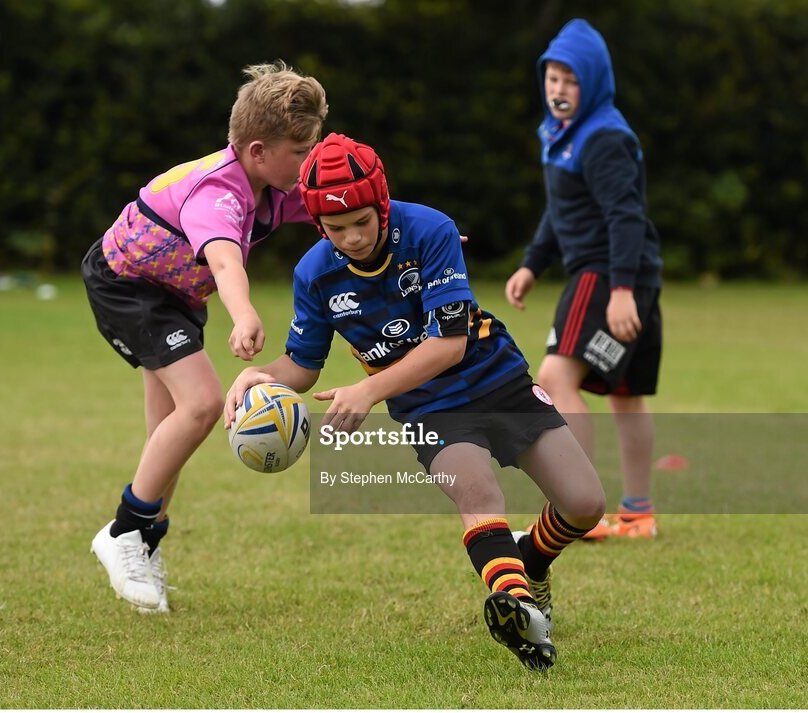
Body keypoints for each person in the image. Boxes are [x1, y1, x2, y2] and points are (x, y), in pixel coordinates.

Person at [225, 134, 605, 670]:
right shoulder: (313, 274)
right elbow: (303, 367)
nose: (352, 238)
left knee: (585, 504)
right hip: (429, 408)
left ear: (381, 204)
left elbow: (449, 345)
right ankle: (520, 612)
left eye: (362, 221)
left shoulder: (430, 230)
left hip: (496, 378)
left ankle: (531, 563)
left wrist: (369, 390)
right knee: (476, 493)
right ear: (317, 225)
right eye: (336, 229)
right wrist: (260, 376)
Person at [81, 61, 328, 612]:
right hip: (128, 286)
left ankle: (144, 543)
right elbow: (224, 264)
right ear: (258, 150)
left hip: (174, 297)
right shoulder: (217, 192)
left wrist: (408, 226)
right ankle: (122, 532)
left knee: (167, 435)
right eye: (298, 150)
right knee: (202, 405)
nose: (306, 162)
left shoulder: (272, 183)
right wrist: (243, 315)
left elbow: (334, 202)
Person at [504, 19, 664, 540]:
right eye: (551, 78)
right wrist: (532, 263)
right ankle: (637, 514)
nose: (558, 89)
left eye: (570, 80)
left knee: (554, 380)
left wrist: (620, 290)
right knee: (626, 394)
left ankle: (578, 510)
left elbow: (625, 216)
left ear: (592, 83)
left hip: (606, 275)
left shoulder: (603, 138)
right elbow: (562, 209)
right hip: (626, 275)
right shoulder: (562, 135)